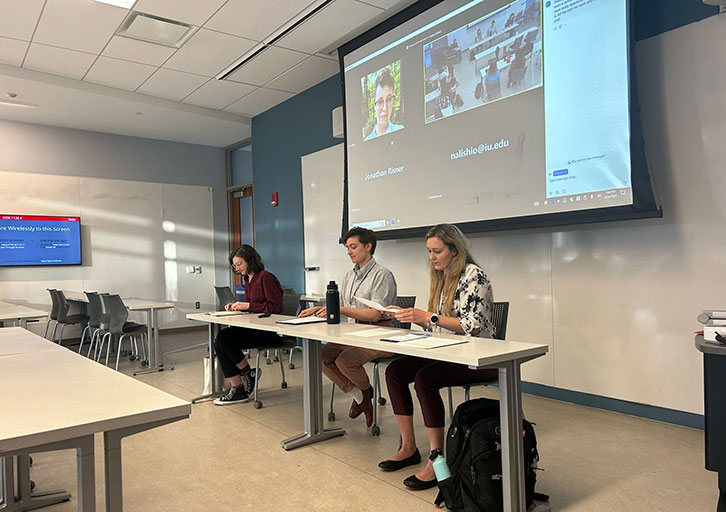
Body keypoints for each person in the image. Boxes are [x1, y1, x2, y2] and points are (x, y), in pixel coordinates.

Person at [377, 224, 496, 490]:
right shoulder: (441, 277)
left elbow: (471, 326)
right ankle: (408, 448)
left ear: (455, 250)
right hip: (447, 352)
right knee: (395, 371)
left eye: (437, 251)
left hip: (479, 357)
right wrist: (409, 316)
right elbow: (439, 326)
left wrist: (427, 316)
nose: (432, 257)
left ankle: (437, 459)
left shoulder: (473, 275)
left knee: (424, 378)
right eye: (428, 251)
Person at [299, 227, 397, 426]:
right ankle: (361, 396)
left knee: (345, 361)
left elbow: (375, 313)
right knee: (320, 356)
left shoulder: (382, 275)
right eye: (347, 248)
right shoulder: (348, 276)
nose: (349, 252)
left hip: (378, 333)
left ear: (368, 246)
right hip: (352, 333)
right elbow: (342, 307)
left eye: (353, 247)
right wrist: (320, 309)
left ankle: (364, 392)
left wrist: (340, 309)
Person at [213, 245, 283, 405]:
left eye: (239, 264)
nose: (237, 269)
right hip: (256, 327)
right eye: (234, 265)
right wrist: (237, 306)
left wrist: (247, 306)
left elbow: (275, 308)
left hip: (270, 331)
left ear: (250, 261)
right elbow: (254, 305)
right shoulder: (248, 278)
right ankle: (239, 385)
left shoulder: (265, 277)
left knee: (224, 339)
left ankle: (244, 380)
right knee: (220, 338)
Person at [364, 67, 404, 140]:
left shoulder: (402, 131)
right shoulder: (367, 140)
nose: (385, 108)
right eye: (380, 102)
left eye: (389, 100)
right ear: (374, 106)